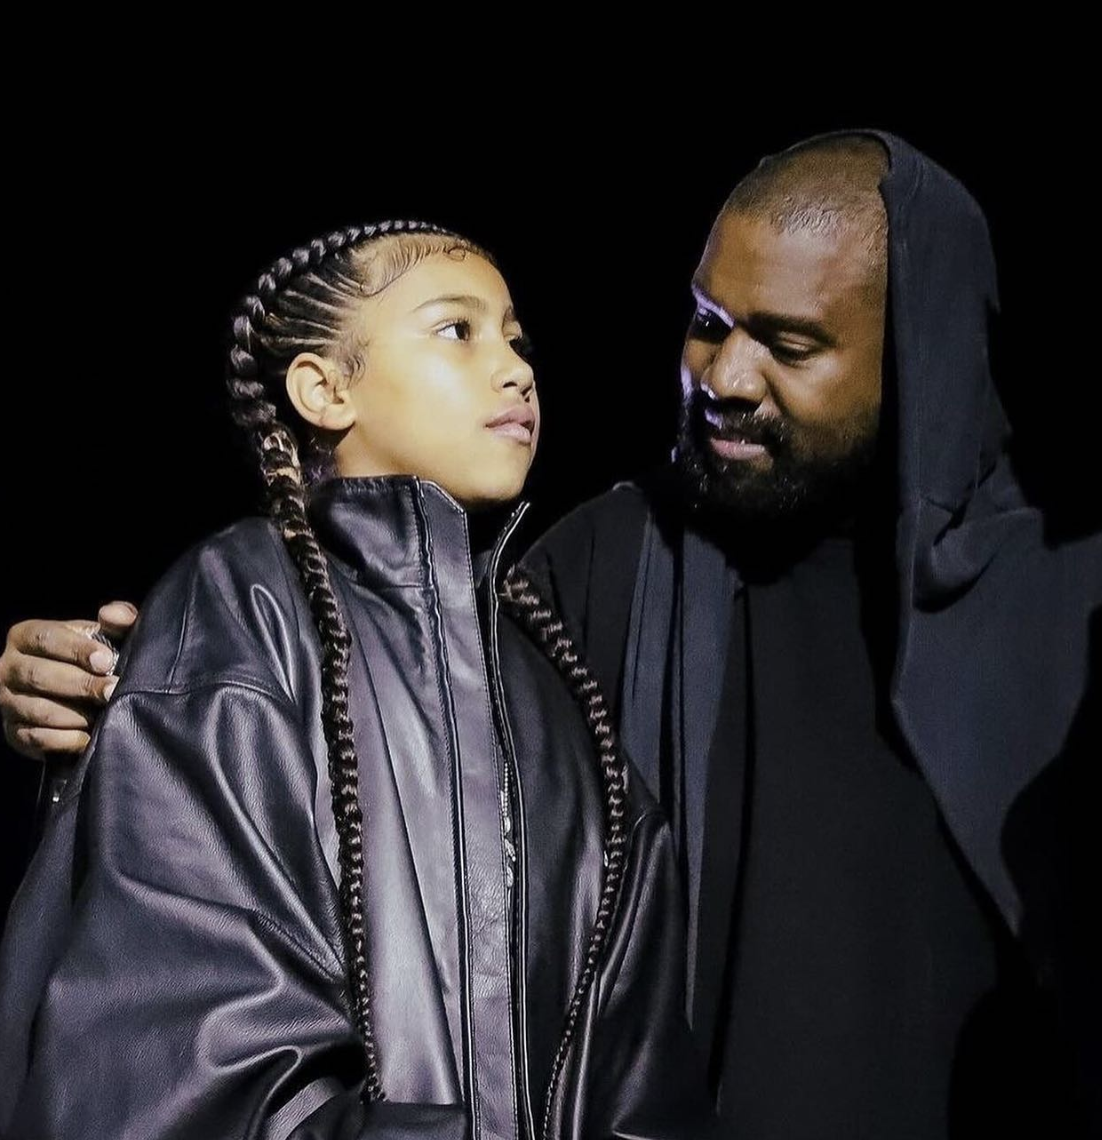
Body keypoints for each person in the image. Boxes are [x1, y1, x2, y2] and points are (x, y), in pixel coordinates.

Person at [5, 130, 1099, 1137]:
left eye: (789, 343)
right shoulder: (587, 575)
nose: (724, 377)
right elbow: (362, 707)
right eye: (706, 324)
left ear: (917, 354)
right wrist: (100, 700)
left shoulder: (1068, 609)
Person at [0, 220, 712, 1139]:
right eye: (457, 330)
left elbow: (645, 1083)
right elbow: (175, 1051)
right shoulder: (242, 605)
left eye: (517, 340)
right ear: (325, 389)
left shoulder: (564, 705)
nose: (515, 370)